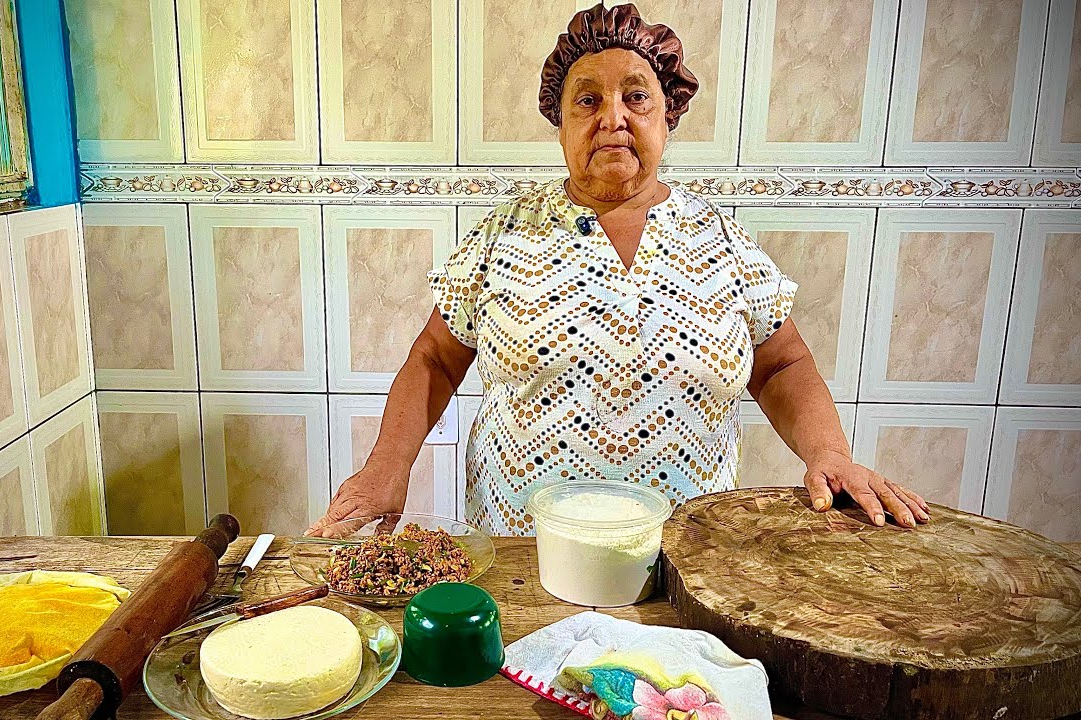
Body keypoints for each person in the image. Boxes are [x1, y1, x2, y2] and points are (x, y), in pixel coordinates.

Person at [309, 2, 928, 536]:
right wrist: (386, 469)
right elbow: (435, 359)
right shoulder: (506, 233)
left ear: (667, 117)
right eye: (588, 100)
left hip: (686, 564)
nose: (613, 117)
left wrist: (830, 452)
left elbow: (782, 361)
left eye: (636, 97)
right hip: (527, 557)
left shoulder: (721, 240)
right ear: (561, 125)